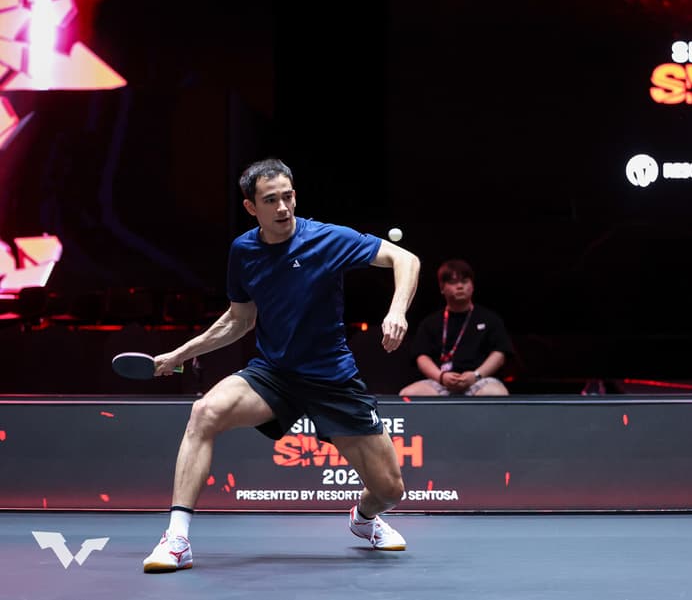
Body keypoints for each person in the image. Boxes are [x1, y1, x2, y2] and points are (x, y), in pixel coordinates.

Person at [142, 158, 420, 573]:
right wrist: (181, 354)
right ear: (252, 207)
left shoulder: (327, 238)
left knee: (389, 490)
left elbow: (406, 259)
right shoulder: (244, 251)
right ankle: (177, 538)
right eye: (270, 200)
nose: (283, 207)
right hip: (274, 374)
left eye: (288, 196)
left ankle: (364, 520)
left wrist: (397, 311)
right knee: (204, 412)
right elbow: (239, 319)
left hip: (332, 379)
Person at [399, 259, 512, 397]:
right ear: (442, 288)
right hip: (440, 381)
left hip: (479, 380)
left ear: (472, 285)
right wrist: (441, 376)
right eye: (453, 282)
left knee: (495, 393)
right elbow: (421, 356)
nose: (459, 286)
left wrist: (476, 375)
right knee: (408, 394)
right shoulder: (430, 322)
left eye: (464, 281)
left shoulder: (489, 319)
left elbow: (499, 354)